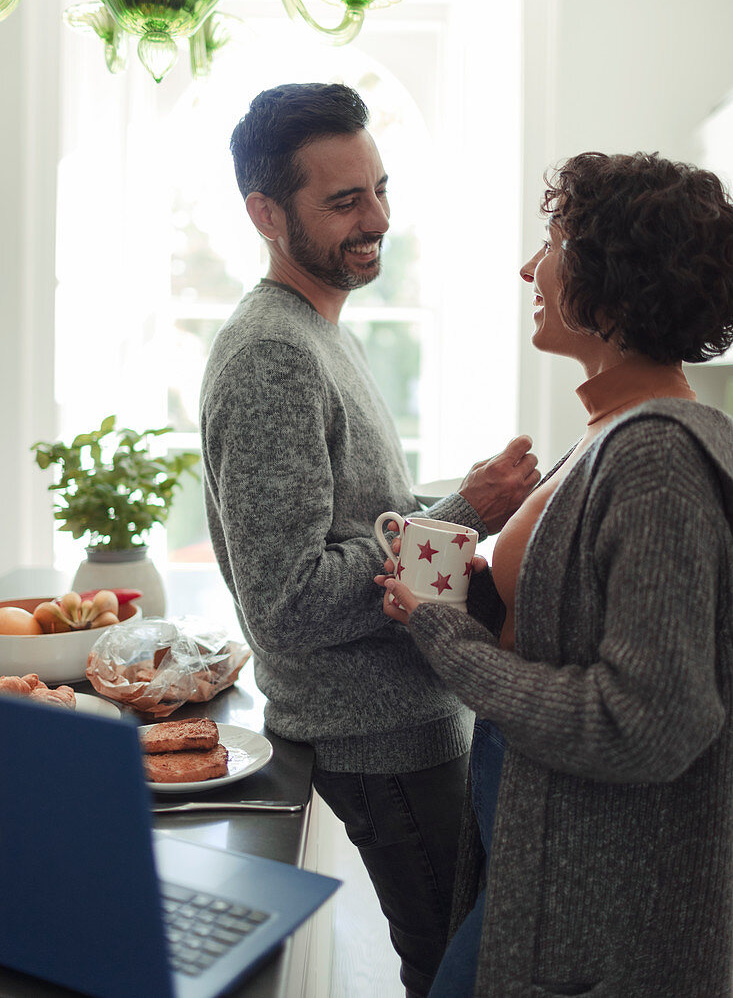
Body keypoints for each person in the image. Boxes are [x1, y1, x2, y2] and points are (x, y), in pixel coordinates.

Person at [198, 82, 540, 997]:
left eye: (379, 189)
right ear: (266, 214)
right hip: (373, 734)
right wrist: (464, 511)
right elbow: (289, 602)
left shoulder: (317, 330)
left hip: (410, 717)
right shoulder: (272, 352)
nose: (376, 218)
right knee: (451, 971)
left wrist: (472, 498)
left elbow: (361, 521)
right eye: (344, 200)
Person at [377, 150, 733, 997]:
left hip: (593, 898)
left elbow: (645, 725)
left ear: (616, 283)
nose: (530, 266)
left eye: (556, 240)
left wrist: (443, 635)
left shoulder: (653, 461)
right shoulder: (608, 434)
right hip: (551, 847)